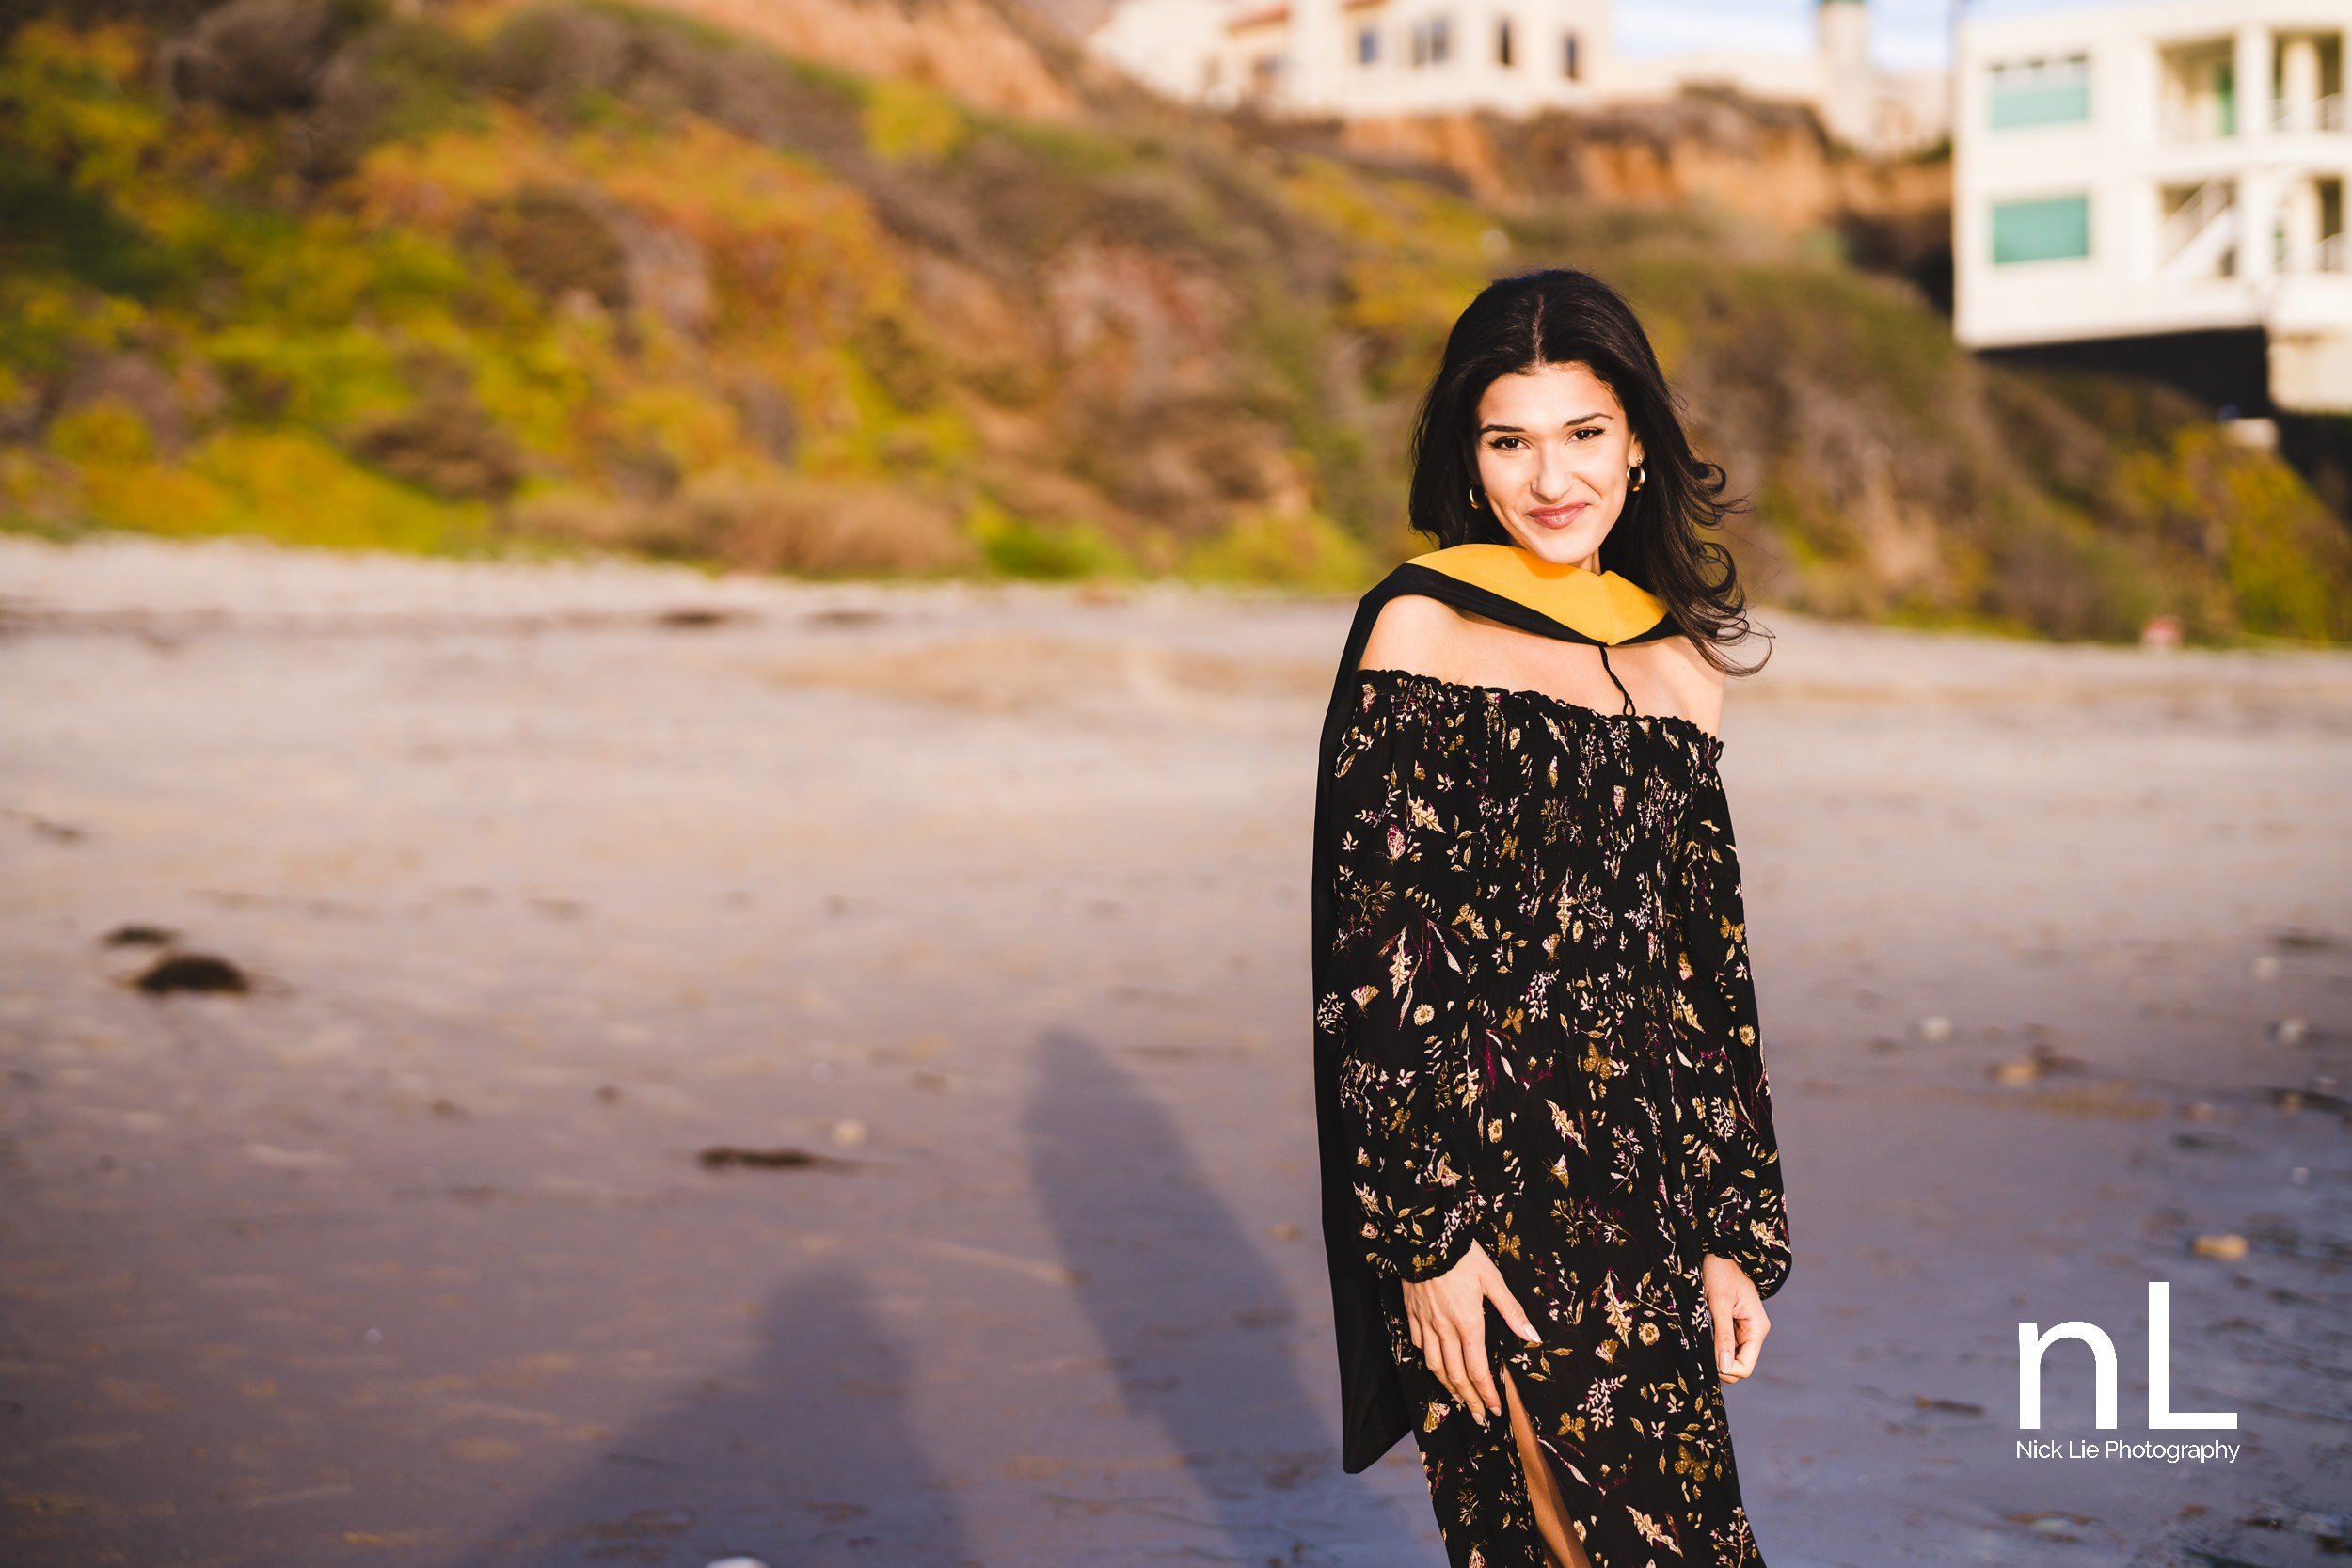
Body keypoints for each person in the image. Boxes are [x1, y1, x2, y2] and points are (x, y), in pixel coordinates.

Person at [1309, 268, 1792, 1568]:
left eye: (1582, 434)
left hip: (1645, 1205)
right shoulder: (1422, 629)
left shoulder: (1679, 666)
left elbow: (1701, 983)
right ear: (1469, 459)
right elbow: (1380, 967)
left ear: (1638, 442)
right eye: (1509, 440)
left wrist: (1731, 1233)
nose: (1550, 478)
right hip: (1488, 1203)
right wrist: (1427, 1244)